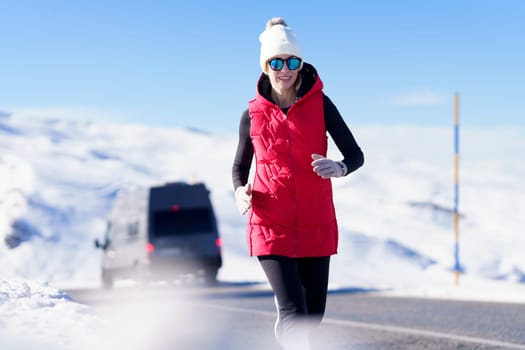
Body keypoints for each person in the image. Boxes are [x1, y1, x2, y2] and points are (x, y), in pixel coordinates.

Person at [232, 17, 364, 349]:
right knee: (293, 312)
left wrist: (339, 166)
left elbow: (355, 153)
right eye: (276, 62)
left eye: (292, 61)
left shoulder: (321, 104)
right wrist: (239, 191)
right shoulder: (252, 114)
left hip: (315, 220)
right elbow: (239, 166)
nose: (285, 68)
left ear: (300, 63)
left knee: (312, 315)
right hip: (270, 222)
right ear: (265, 66)